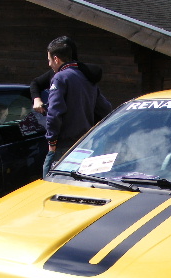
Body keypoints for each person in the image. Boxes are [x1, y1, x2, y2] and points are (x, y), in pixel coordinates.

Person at [42, 36, 112, 177]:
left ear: (56, 59)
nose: (49, 65)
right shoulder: (86, 77)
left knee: (50, 181)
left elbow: (54, 113)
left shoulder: (60, 78)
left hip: (64, 144)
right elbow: (106, 108)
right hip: (85, 143)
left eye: (49, 60)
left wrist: (52, 141)